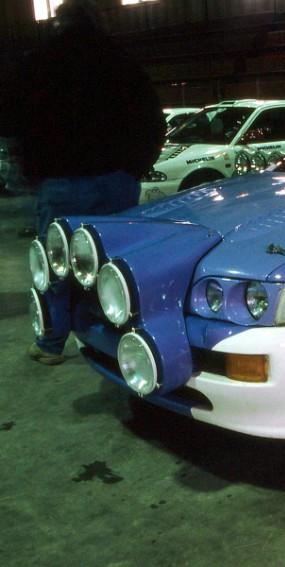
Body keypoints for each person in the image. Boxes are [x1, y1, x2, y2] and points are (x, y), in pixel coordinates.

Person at [0, 0, 165, 365]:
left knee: (56, 266)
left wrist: (33, 169)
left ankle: (52, 343)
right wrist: (135, 167)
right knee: (116, 263)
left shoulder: (40, 63)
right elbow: (154, 121)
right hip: (116, 182)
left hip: (60, 183)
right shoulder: (122, 61)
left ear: (59, 23)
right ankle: (119, 337)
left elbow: (11, 117)